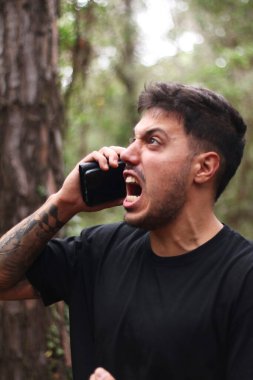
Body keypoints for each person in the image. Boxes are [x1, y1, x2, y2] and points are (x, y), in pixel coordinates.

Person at [0, 82, 253, 380]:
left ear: (204, 167)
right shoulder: (99, 250)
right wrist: (65, 203)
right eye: (133, 140)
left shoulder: (243, 278)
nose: (128, 155)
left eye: (153, 141)